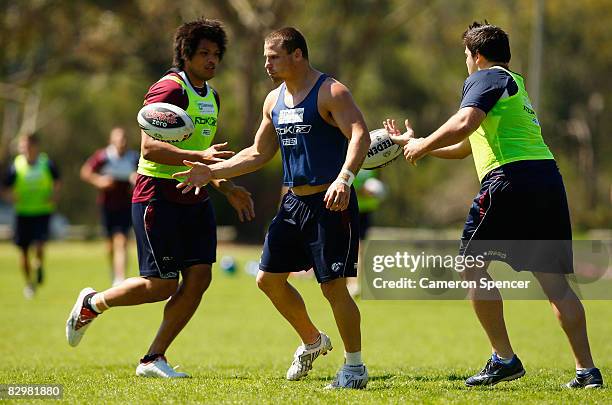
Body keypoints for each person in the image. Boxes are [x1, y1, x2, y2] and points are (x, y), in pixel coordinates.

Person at [384, 21, 603, 389]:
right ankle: (587, 372)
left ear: (477, 56)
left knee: (469, 264)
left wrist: (422, 147)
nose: (466, 63)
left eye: (466, 56)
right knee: (555, 284)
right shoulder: (511, 84)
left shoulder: (485, 77)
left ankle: (504, 359)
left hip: (510, 181)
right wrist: (419, 142)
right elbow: (465, 144)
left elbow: (464, 122)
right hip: (546, 181)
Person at [172, 27, 371, 389]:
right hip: (294, 203)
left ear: (298, 55)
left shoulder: (331, 91)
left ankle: (354, 367)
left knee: (333, 288)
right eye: (265, 56)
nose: (267, 63)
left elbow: (360, 134)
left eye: (274, 56)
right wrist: (210, 172)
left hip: (331, 200)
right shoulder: (273, 101)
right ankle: (312, 340)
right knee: (268, 279)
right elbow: (258, 153)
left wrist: (345, 179)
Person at [65, 18, 254, 378]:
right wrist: (201, 158)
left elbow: (206, 154)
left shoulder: (212, 97)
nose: (212, 60)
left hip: (195, 198)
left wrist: (227, 187)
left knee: (199, 278)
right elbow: (149, 148)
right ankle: (93, 303)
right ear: (186, 54)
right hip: (158, 197)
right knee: (161, 284)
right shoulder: (169, 89)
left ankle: (154, 358)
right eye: (204, 54)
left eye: (216, 54)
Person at [2, 133, 61, 299]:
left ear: (35, 146)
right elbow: (5, 187)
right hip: (23, 213)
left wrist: (54, 195)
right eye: (22, 145)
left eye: (27, 144)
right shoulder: (16, 165)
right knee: (23, 252)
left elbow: (57, 180)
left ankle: (39, 264)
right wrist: (9, 197)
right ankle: (29, 283)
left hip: (42, 211)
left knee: (40, 245)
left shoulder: (46, 163)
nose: (24, 148)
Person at [80, 127, 139, 286]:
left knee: (122, 240)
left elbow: (145, 175)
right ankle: (114, 270)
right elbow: (85, 172)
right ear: (111, 141)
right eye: (118, 139)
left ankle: (120, 278)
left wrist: (136, 180)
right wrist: (99, 181)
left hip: (127, 205)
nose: (122, 142)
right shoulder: (104, 156)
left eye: (124, 139)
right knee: (110, 245)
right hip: (107, 206)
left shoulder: (134, 158)